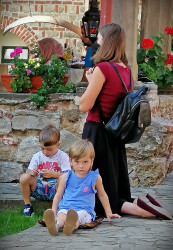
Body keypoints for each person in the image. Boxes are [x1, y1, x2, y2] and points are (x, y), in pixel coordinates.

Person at [79, 23, 172, 220]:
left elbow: (84, 105)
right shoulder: (126, 70)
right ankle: (138, 205)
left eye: (100, 38)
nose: (97, 42)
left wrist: (91, 79)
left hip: (97, 131)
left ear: (107, 41)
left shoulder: (102, 68)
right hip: (115, 132)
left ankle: (139, 209)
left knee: (96, 190)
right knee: (114, 187)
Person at [43, 139, 121, 236]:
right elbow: (58, 196)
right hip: (66, 207)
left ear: (91, 161)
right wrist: (54, 211)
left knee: (78, 217)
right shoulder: (65, 177)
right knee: (62, 214)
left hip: (84, 210)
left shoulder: (95, 177)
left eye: (85, 162)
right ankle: (56, 226)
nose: (81, 166)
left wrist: (109, 213)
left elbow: (102, 195)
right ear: (70, 161)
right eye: (77, 162)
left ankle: (70, 226)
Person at [20, 124, 71, 216]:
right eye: (42, 148)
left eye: (49, 149)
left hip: (55, 190)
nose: (45, 152)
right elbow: (29, 173)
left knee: (63, 179)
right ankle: (27, 205)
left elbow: (68, 176)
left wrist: (54, 174)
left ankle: (59, 207)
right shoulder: (37, 156)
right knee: (24, 178)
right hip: (39, 188)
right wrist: (32, 173)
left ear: (58, 145)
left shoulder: (62, 156)